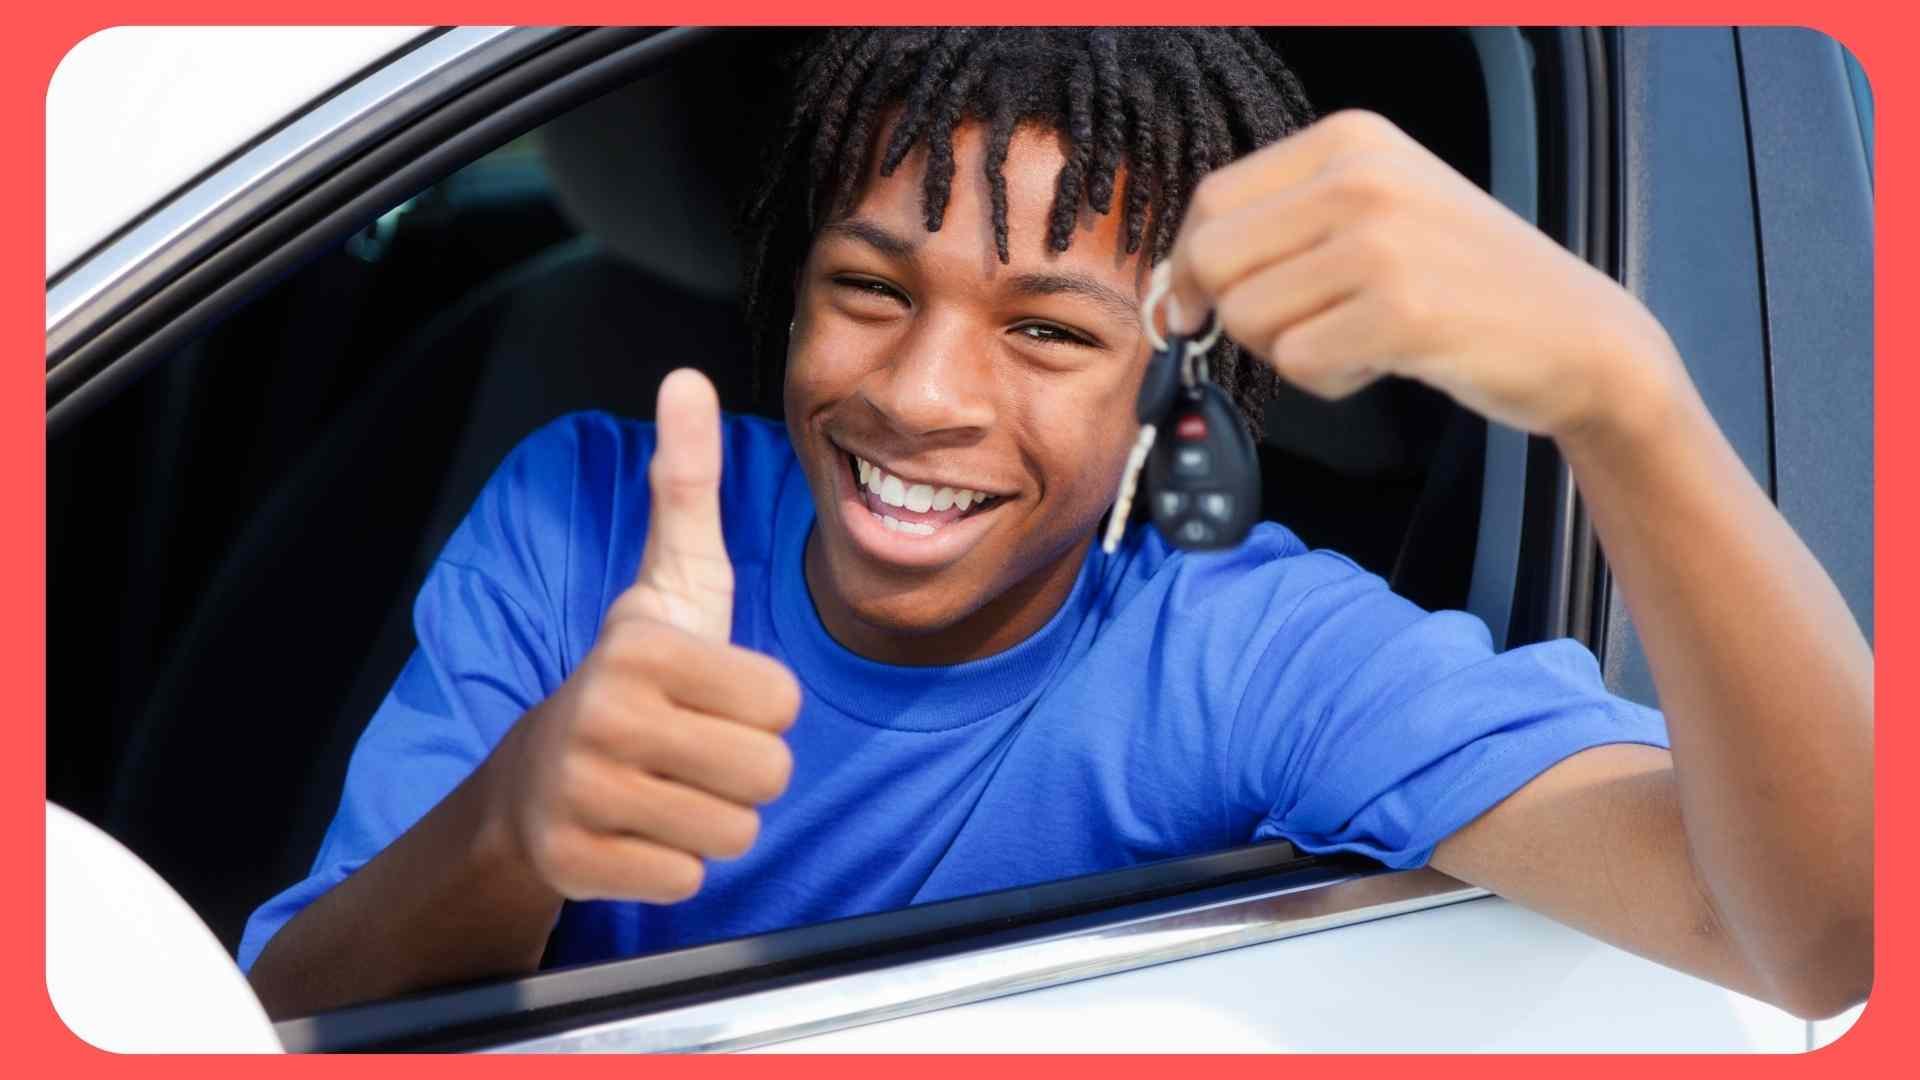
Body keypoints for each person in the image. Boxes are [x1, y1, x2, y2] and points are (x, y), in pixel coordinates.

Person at [241, 28, 1872, 1022]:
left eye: (1048, 333)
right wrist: (518, 825)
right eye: (869, 291)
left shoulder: (1240, 650)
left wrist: (1625, 398)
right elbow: (276, 1022)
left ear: (1175, 387)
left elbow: (1818, 943)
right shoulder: (587, 517)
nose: (927, 396)